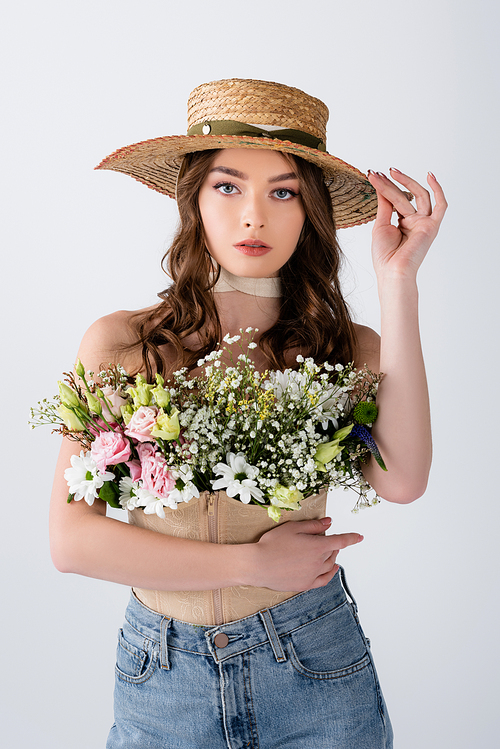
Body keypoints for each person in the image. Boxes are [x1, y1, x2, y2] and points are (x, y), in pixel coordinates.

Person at [49, 78, 446, 748]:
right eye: (228, 186)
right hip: (161, 676)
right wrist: (249, 564)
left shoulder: (348, 349)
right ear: (195, 199)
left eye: (282, 191)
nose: (254, 216)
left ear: (308, 211)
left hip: (314, 665)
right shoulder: (121, 343)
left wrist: (397, 282)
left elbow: (402, 480)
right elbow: (72, 541)